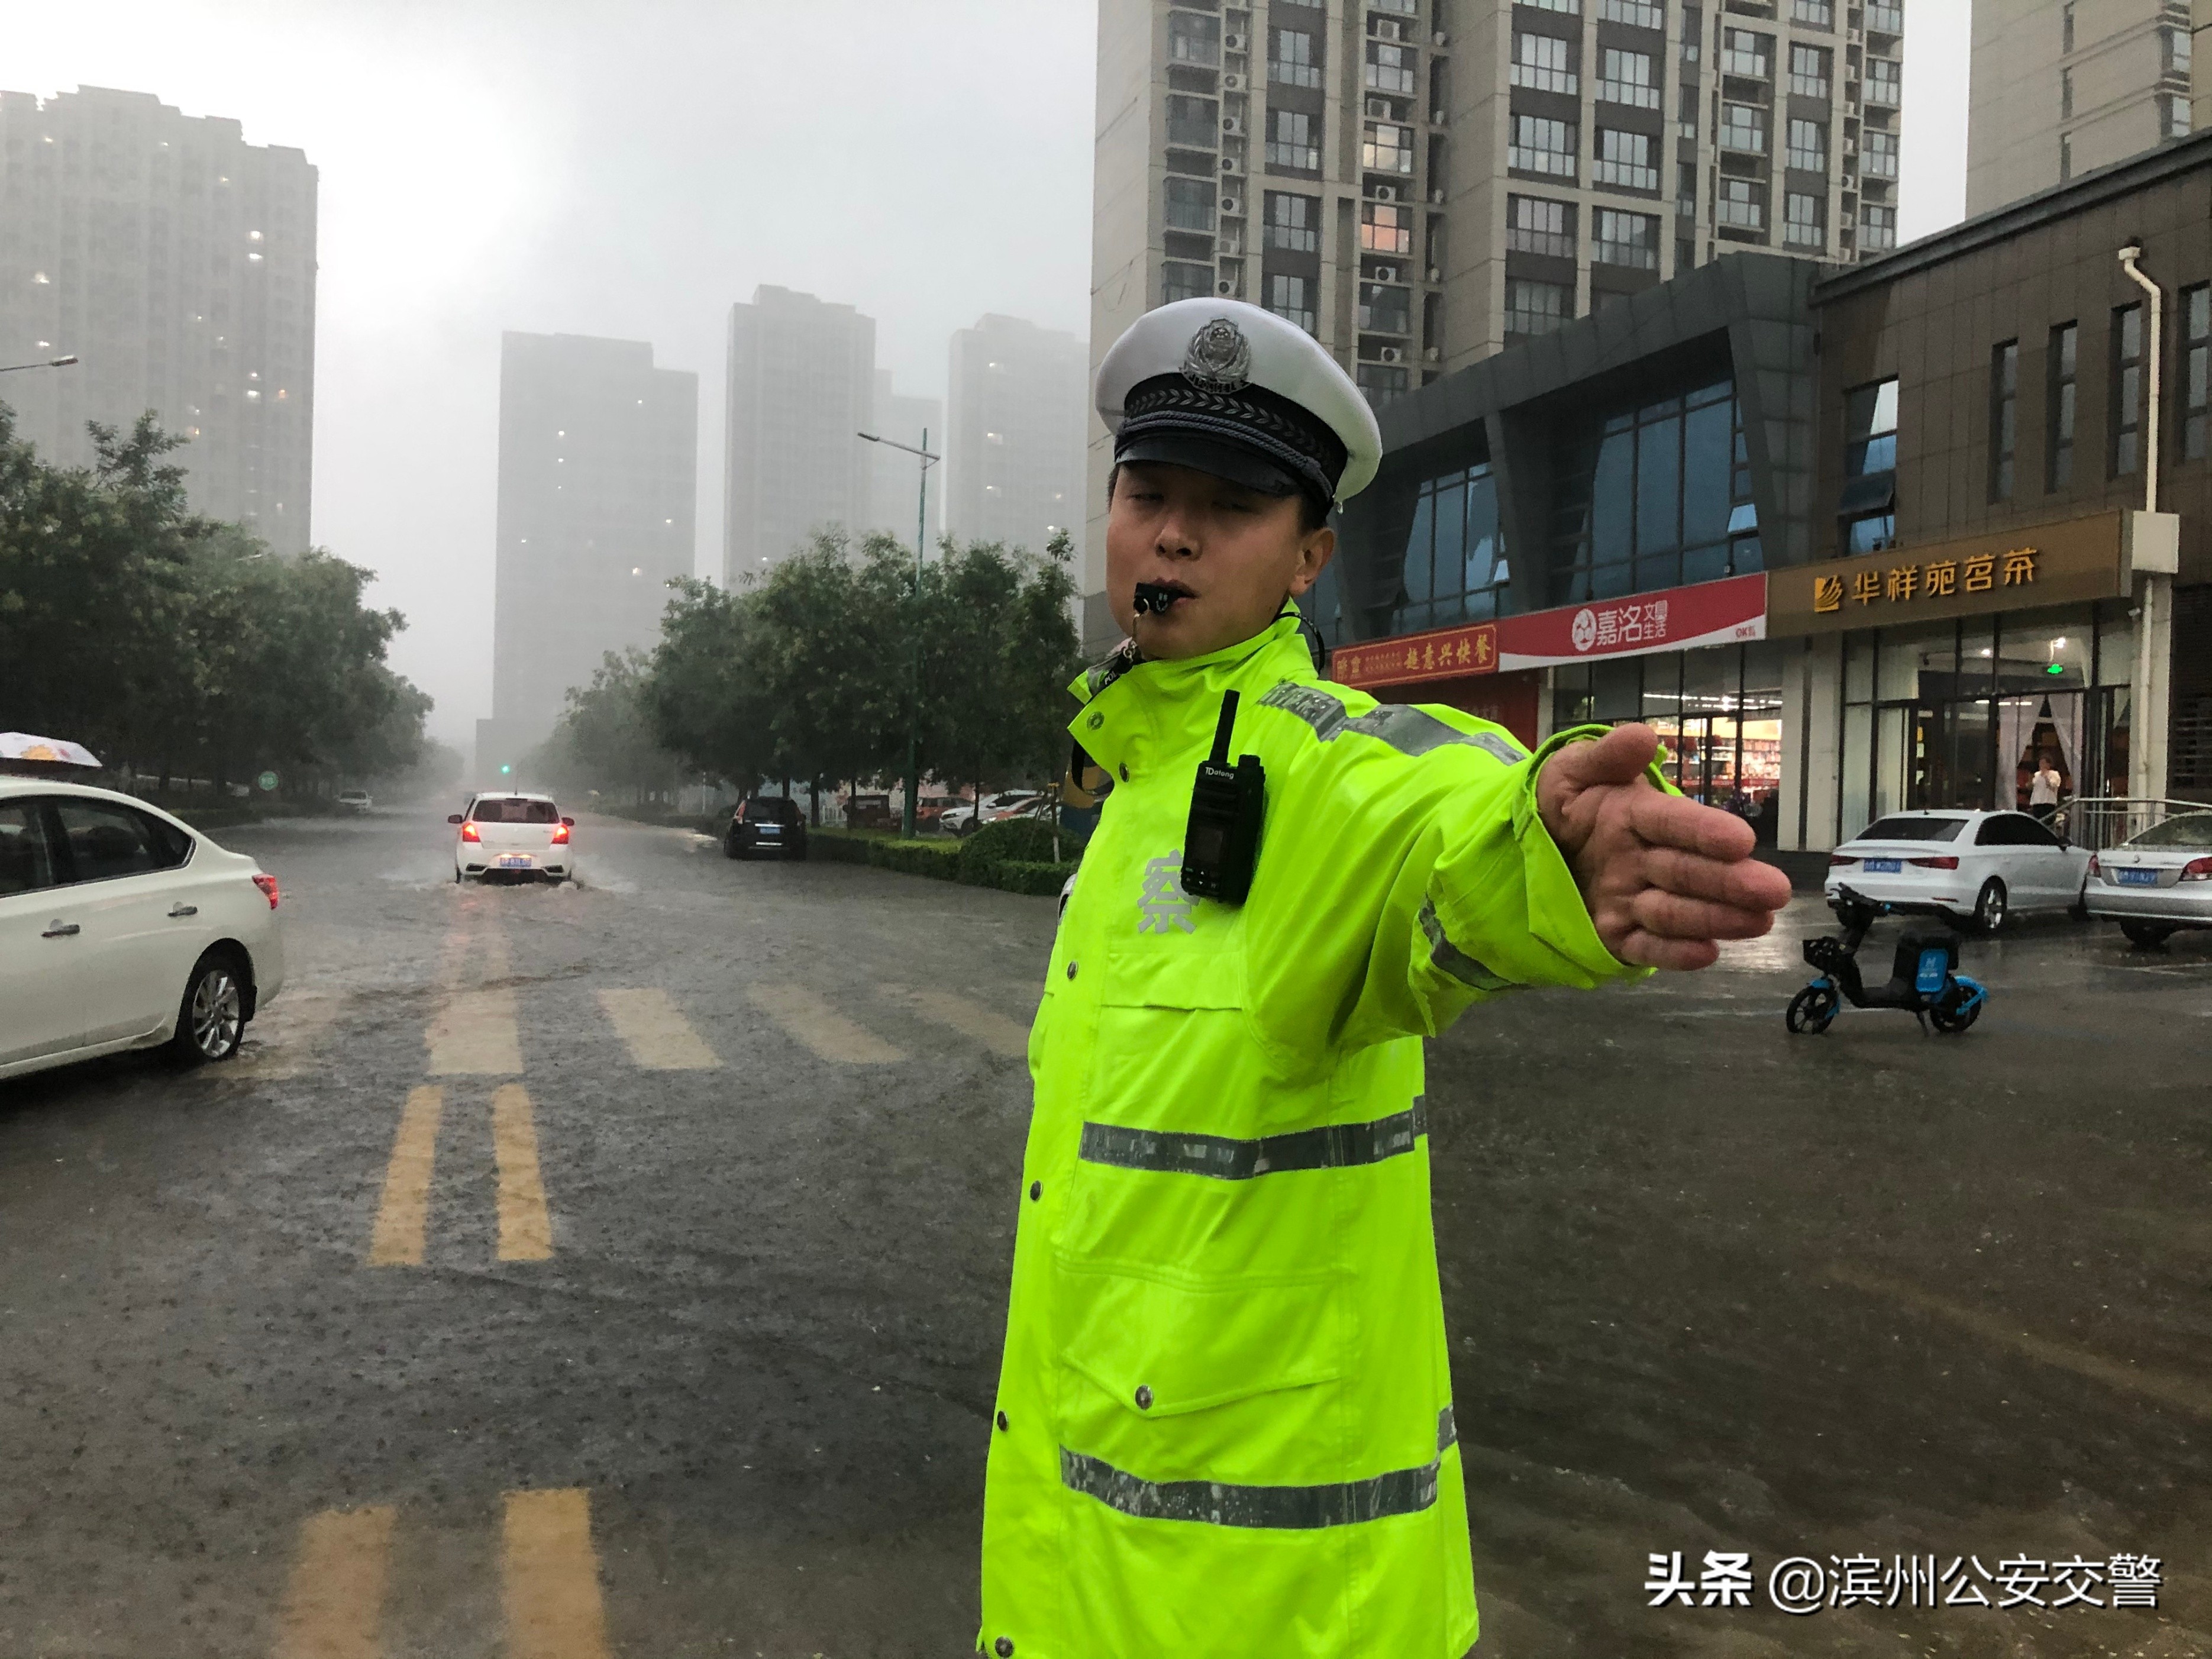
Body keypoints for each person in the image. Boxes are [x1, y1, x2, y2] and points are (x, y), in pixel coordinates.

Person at [976, 299, 1792, 1659]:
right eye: (1148, 491)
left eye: (1227, 507)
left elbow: (1438, 820)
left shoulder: (1316, 772)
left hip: (1289, 1612)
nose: (1171, 533)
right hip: (1084, 1581)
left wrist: (1543, 844)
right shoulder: (1137, 784)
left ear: (1309, 554)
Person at [2029, 751, 2064, 822]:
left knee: (2048, 821)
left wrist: (2046, 777)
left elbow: (2053, 785)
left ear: (2048, 764)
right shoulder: (2037, 775)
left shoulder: (2054, 774)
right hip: (2037, 802)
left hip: (2048, 802)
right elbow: (2034, 786)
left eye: (2043, 763)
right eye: (2040, 763)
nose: (2041, 765)